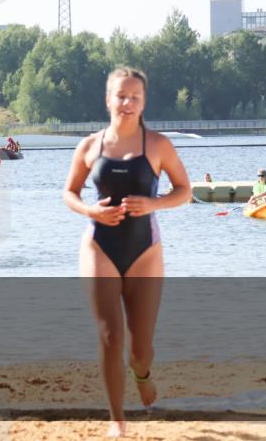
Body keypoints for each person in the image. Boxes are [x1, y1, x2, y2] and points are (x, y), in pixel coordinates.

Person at [62, 67, 192, 438]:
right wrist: (92, 211)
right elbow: (69, 192)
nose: (127, 103)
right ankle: (117, 419)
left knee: (140, 347)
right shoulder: (89, 146)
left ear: (144, 102)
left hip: (144, 250)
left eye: (134, 97)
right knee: (109, 336)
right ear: (108, 99)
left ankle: (142, 373)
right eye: (120, 95)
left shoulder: (158, 145)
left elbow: (183, 190)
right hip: (98, 245)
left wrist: (153, 204)